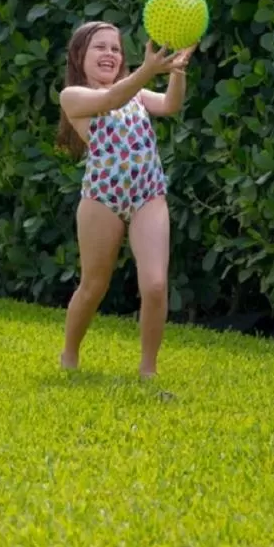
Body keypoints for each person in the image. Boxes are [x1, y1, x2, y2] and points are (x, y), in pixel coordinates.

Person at [56, 20, 193, 379]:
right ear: (79, 55)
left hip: (149, 193)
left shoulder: (135, 92)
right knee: (93, 286)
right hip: (103, 197)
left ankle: (148, 369)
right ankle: (69, 355)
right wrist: (148, 69)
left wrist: (177, 70)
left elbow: (170, 104)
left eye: (115, 49)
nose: (110, 54)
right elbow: (110, 99)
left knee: (156, 284)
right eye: (100, 47)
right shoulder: (73, 96)